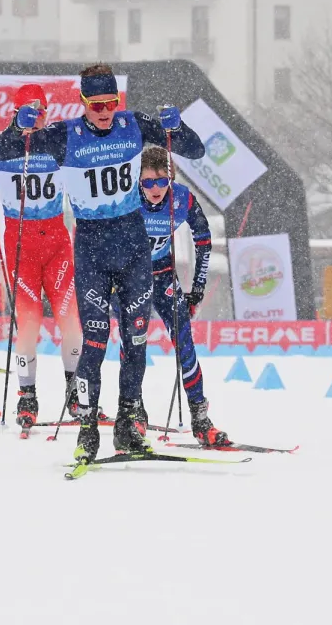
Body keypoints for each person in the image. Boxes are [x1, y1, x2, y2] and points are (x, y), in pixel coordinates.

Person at [0, 63, 204, 463]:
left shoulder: (134, 125)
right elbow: (5, 153)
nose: (105, 111)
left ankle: (128, 424)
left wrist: (179, 128)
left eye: (111, 103)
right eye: (97, 104)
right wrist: (17, 129)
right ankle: (87, 428)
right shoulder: (63, 136)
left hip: (133, 245)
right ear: (83, 102)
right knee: (93, 341)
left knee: (136, 339)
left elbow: (194, 150)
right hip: (91, 247)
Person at [0, 85, 83, 431]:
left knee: (69, 318)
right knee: (29, 321)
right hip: (20, 242)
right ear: (15, 111)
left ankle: (75, 391)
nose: (35, 117)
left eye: (40, 111)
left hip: (55, 239)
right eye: (28, 110)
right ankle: (27, 396)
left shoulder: (57, 139)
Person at [137, 146, 228, 447]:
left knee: (184, 342)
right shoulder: (126, 195)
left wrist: (197, 289)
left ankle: (200, 418)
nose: (155, 189)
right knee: (133, 342)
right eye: (148, 182)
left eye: (161, 181)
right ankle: (134, 411)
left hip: (163, 273)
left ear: (171, 178)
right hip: (131, 276)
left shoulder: (181, 197)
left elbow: (203, 240)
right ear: (138, 179)